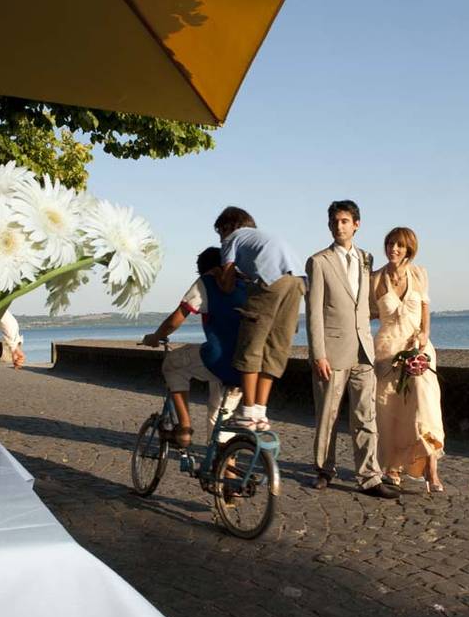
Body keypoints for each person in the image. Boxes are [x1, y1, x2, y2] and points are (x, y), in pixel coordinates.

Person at [305, 200, 398, 499]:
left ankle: (369, 476)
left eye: (344, 220)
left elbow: (367, 305)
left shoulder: (366, 259)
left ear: (356, 224)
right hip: (331, 351)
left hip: (364, 349)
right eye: (334, 221)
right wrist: (318, 353)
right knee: (328, 415)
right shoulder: (318, 261)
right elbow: (314, 312)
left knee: (365, 415)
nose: (338, 225)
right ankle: (324, 469)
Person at [142, 247, 246, 447]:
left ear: (205, 270)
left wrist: (156, 337)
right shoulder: (246, 283)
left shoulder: (207, 282)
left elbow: (176, 319)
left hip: (219, 360)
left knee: (172, 363)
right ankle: (225, 468)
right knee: (219, 419)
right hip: (245, 366)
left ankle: (184, 429)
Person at [215, 206, 306, 431]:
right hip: (297, 281)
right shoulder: (262, 236)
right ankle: (260, 413)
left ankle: (246, 412)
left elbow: (226, 285)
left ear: (227, 226)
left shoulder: (232, 239)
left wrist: (220, 274)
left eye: (219, 233)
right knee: (275, 348)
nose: (220, 239)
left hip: (270, 281)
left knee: (251, 345)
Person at [371, 227, 446, 492]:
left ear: (409, 248)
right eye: (390, 243)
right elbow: (365, 314)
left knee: (425, 405)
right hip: (387, 351)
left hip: (418, 349)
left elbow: (426, 311)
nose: (394, 249)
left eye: (399, 245)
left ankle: (431, 469)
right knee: (389, 409)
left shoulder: (419, 274)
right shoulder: (376, 279)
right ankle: (392, 467)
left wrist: (424, 335)